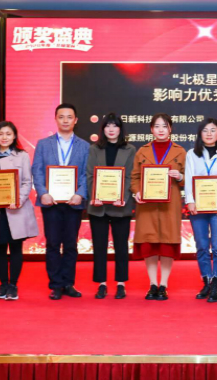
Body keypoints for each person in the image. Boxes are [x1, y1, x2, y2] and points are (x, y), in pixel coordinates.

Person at [31, 103, 90, 300]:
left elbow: (87, 173)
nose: (65, 120)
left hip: (74, 202)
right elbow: (37, 170)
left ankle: (68, 283)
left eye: (69, 117)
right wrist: (43, 193)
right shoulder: (43, 144)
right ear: (55, 119)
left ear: (76, 120)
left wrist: (80, 193)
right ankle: (56, 284)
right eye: (61, 117)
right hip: (51, 202)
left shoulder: (85, 146)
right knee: (53, 244)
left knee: (71, 244)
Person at [0, 121, 39, 301]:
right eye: (0, 134)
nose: (4, 137)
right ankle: (3, 284)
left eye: (8, 134)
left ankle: (13, 285)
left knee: (15, 247)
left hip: (15, 209)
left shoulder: (22, 156)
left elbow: (27, 181)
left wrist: (18, 200)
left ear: (14, 137)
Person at [131, 113, 187, 301]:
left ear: (170, 129)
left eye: (164, 126)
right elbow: (135, 177)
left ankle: (164, 285)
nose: (161, 130)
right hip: (147, 205)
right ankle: (152, 284)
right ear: (151, 129)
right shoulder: (142, 151)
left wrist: (180, 177)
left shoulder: (180, 151)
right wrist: (137, 192)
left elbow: (189, 178)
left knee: (167, 244)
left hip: (170, 205)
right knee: (150, 243)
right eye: (157, 126)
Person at [184, 118, 217, 303]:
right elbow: (188, 178)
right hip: (198, 208)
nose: (209, 134)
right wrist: (190, 201)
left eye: (213, 130)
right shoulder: (192, 154)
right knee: (202, 246)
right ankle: (206, 281)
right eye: (205, 130)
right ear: (200, 134)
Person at [86, 113, 135, 300]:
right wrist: (95, 196)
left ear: (120, 129)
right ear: (103, 129)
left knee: (121, 247)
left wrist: (123, 197)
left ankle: (121, 283)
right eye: (108, 126)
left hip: (120, 206)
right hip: (98, 207)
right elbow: (90, 175)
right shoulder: (94, 149)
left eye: (115, 125)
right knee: (99, 247)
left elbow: (130, 176)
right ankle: (101, 283)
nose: (111, 129)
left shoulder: (130, 149)